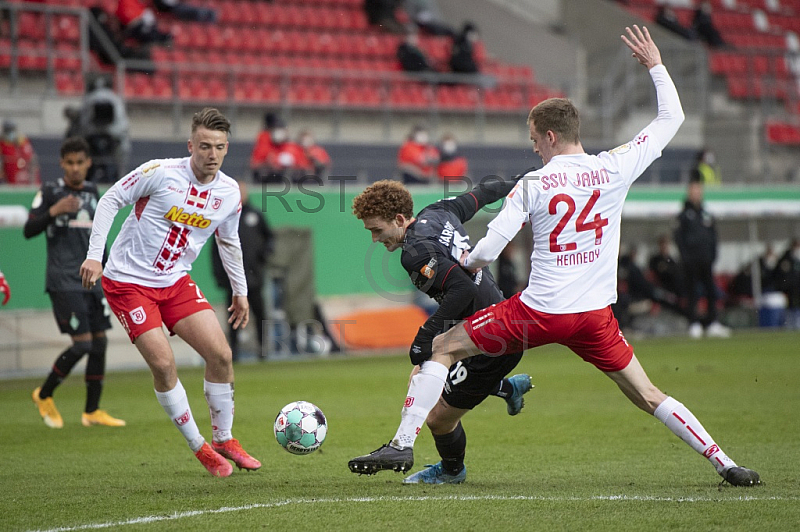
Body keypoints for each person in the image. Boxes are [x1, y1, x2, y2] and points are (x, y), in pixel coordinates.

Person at [348, 26, 760, 488]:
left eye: (532, 140)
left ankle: (403, 442)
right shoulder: (614, 166)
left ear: (547, 136)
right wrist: (655, 66)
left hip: (538, 313)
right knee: (647, 393)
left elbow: (488, 247)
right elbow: (673, 118)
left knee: (442, 347)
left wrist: (473, 266)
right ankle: (726, 463)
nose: (533, 148)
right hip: (594, 316)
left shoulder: (535, 182)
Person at [79, 108, 260, 477]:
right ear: (191, 144)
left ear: (227, 149)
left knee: (221, 355)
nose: (212, 154)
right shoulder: (160, 173)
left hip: (175, 280)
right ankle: (200, 447)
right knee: (163, 364)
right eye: (205, 146)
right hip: (128, 281)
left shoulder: (228, 193)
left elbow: (229, 242)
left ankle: (224, 438)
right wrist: (95, 256)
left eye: (220, 147)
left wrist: (240, 291)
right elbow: (111, 198)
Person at [348, 178, 533, 483]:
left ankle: (448, 469)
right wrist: (519, 182)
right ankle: (506, 388)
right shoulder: (438, 212)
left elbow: (462, 289)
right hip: (491, 323)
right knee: (422, 377)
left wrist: (426, 333)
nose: (374, 239)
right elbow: (483, 193)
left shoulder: (415, 252)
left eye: (376, 230)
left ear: (398, 220)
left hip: (491, 341)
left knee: (436, 418)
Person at [24, 137, 125, 429]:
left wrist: (108, 268)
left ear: (89, 163)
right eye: (70, 163)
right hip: (63, 279)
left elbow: (100, 235)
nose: (75, 168)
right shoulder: (50, 191)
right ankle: (43, 394)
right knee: (82, 345)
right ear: (61, 164)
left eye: (80, 162)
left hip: (91, 279)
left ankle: (92, 411)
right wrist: (54, 211)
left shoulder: (94, 192)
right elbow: (29, 229)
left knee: (100, 342)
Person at [211, 181, 274, 360]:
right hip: (232, 280)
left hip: (254, 276)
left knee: (260, 312)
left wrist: (265, 254)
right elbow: (216, 249)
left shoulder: (254, 215)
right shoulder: (224, 217)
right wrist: (219, 275)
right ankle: (234, 350)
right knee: (233, 316)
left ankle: (263, 349)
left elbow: (269, 237)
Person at [675, 180, 731, 338]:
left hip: (706, 261)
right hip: (691, 262)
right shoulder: (684, 215)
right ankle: (693, 323)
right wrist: (685, 258)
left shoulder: (706, 214)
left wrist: (713, 255)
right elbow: (679, 239)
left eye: (698, 190)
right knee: (693, 293)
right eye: (693, 190)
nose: (696, 193)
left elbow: (713, 237)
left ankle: (712, 322)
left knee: (711, 291)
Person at [77, 76, 131, 183]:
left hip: (102, 136)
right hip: (105, 136)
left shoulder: (89, 98)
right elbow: (124, 125)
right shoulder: (115, 98)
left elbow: (83, 123)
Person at [0, 120, 40, 185]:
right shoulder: (2, 144)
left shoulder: (23, 141)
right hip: (11, 180)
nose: (10, 133)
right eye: (8, 130)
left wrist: (32, 181)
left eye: (12, 130)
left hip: (26, 178)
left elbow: (31, 159)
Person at [648, 234, 684, 298]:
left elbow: (675, 269)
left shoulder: (671, 260)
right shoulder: (655, 259)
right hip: (662, 285)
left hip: (673, 285)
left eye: (666, 244)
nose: (664, 246)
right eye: (662, 244)